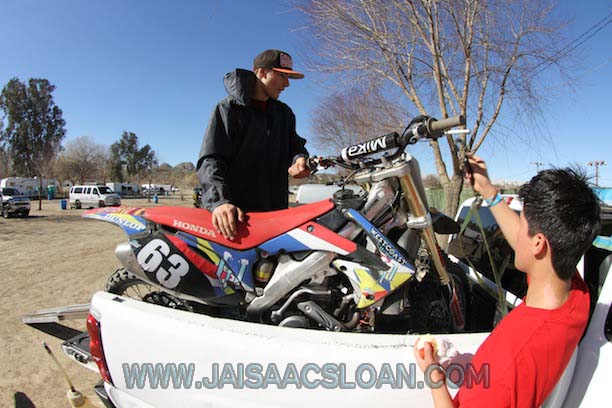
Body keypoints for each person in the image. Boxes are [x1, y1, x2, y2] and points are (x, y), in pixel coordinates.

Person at [413, 154, 601, 407]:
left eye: (522, 226)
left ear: (538, 244)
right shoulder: (575, 294)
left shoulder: (509, 365)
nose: (512, 234)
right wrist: (487, 190)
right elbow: (534, 251)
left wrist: (434, 375)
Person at [196, 49, 311, 239]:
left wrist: (299, 159)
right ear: (261, 72)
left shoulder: (284, 114)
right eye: (282, 76)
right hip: (236, 221)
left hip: (275, 217)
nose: (287, 84)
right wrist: (220, 202)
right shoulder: (228, 109)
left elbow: (295, 147)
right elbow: (211, 159)